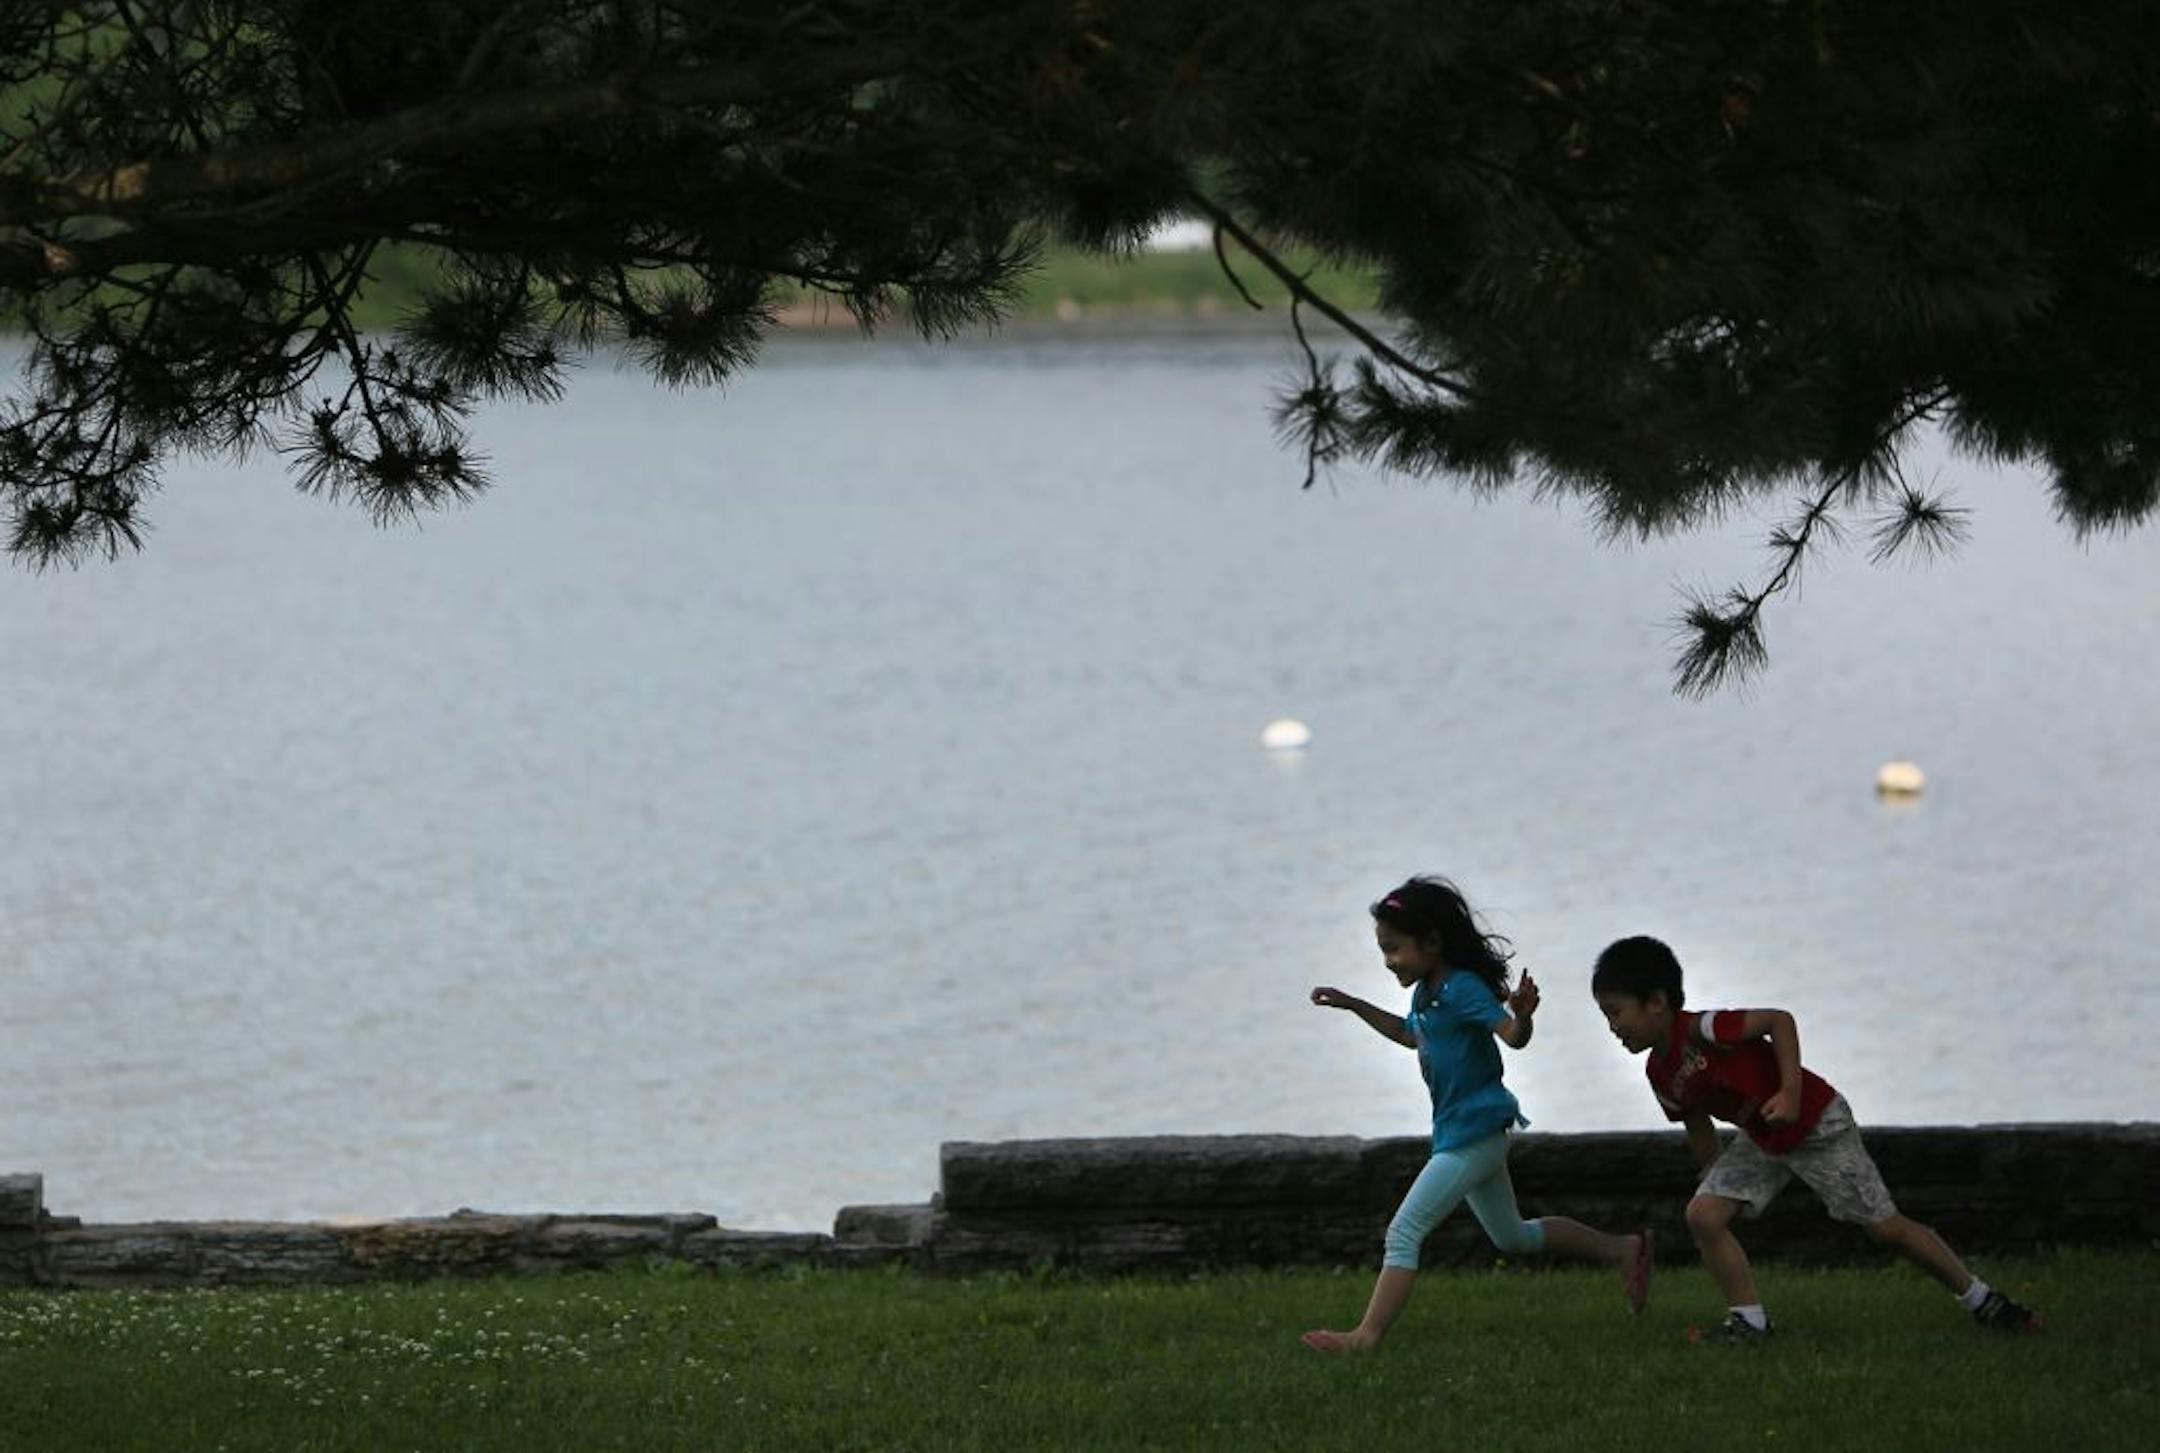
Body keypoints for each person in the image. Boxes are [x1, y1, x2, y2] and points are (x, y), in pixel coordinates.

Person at [1589, 934, 2041, 1341]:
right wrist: (1712, 1174)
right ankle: (1749, 1323)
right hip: (1764, 1140)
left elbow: (1778, 1021)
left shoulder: (1705, 1029)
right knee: (1704, 1214)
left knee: (1886, 1228)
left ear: (1656, 1002)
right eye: (1606, 1015)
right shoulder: (1658, 1071)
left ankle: (1985, 1302)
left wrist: (1789, 1093)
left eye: (1616, 1012)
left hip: (1817, 1124)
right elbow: (1695, 1121)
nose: (1612, 1026)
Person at [1302, 876, 1654, 1353]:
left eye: (1394, 949)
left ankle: (1365, 1338)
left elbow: (1512, 1035)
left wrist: (1524, 1014)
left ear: (1431, 942)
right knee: (1512, 1237)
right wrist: (1352, 1004)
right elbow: (1411, 1035)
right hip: (1461, 1133)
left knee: (1404, 1232)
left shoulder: (1462, 988)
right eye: (1383, 951)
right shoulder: (1425, 992)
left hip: (1475, 1134)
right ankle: (1622, 1249)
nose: (1388, 961)